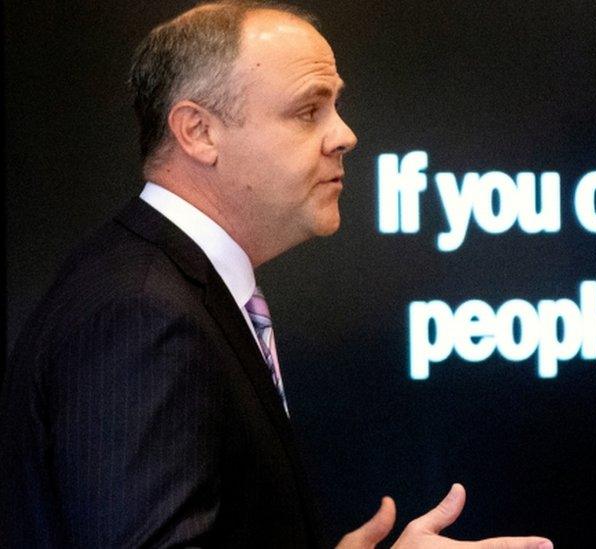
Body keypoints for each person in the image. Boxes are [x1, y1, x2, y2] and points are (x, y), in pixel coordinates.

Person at [0, 2, 554, 548]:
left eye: (335, 106)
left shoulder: (160, 286)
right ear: (198, 132)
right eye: (308, 111)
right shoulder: (142, 315)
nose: (345, 135)